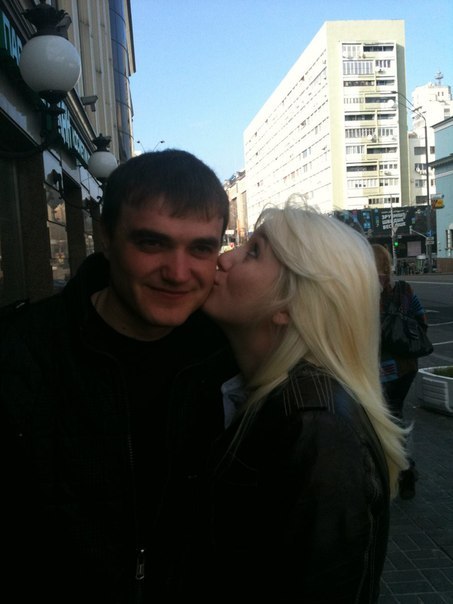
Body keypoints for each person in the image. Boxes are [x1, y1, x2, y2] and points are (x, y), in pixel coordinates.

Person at [0, 149, 237, 603]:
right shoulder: (23, 356)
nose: (178, 273)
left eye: (201, 248)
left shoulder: (230, 356)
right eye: (152, 243)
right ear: (106, 239)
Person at [198, 202, 408, 602]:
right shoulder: (254, 388)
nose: (224, 259)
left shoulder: (317, 429)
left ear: (289, 305)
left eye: (253, 251)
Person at [372, 243, 428, 499]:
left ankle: (402, 471)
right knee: (394, 415)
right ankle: (401, 471)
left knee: (387, 420)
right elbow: (422, 322)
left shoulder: (366, 290)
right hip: (407, 367)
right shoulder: (405, 290)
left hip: (382, 369)